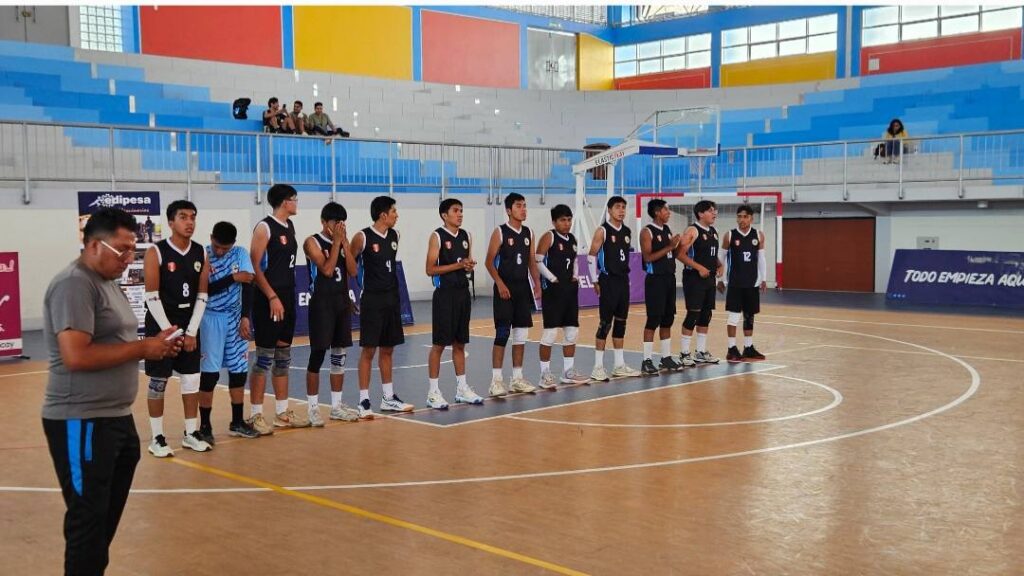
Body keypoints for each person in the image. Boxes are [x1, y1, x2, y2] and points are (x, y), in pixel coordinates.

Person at [43, 207, 181, 574]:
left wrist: (156, 342)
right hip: (81, 417)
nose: (128, 258)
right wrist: (143, 349)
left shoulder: (107, 282)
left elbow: (116, 338)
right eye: (121, 249)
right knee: (87, 522)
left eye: (133, 249)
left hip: (115, 418)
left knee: (101, 524)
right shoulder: (75, 283)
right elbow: (75, 355)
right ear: (92, 246)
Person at [143, 200, 212, 457]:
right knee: (158, 381)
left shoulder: (200, 252)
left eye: (193, 216)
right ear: (171, 222)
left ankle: (190, 433)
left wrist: (191, 331)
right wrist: (171, 334)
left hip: (188, 325)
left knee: (192, 379)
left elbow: (202, 295)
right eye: (183, 217)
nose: (189, 222)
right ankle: (157, 437)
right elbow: (151, 296)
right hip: (162, 327)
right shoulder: (156, 252)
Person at [249, 184, 309, 434]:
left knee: (283, 357)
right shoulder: (264, 227)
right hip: (268, 299)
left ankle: (282, 412)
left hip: (287, 296)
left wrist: (283, 296)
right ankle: (255, 415)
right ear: (285, 202)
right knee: (264, 357)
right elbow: (254, 265)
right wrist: (272, 295)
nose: (297, 203)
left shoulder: (290, 226)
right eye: (294, 199)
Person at [349, 196, 414, 417]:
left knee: (388, 349)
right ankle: (363, 401)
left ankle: (388, 398)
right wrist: (350, 294)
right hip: (372, 300)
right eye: (394, 211)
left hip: (392, 299)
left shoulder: (395, 235)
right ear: (383, 214)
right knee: (369, 350)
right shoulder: (362, 237)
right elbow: (349, 263)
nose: (397, 215)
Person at [197, 221, 259, 444]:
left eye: (225, 248)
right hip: (210, 317)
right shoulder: (202, 254)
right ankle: (205, 426)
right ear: (211, 237)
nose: (220, 251)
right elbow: (203, 290)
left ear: (233, 244)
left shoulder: (240, 253)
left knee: (238, 370)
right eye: (217, 246)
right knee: (210, 374)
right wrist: (232, 278)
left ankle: (237, 421)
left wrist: (245, 317)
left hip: (235, 317)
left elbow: (249, 285)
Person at [302, 202, 361, 426]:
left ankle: (336, 406)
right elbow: (326, 270)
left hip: (340, 303)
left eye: (342, 223)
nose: (339, 226)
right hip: (321, 304)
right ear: (324, 222)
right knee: (317, 356)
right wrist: (336, 243)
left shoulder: (343, 241)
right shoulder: (312, 241)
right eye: (335, 222)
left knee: (339, 355)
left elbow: (353, 271)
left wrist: (344, 243)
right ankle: (313, 409)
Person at [424, 198, 485, 409]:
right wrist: (457, 265)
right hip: (444, 295)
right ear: (444, 215)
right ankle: (433, 392)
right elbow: (430, 269)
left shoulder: (467, 235)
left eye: (461, 210)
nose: (460, 214)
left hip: (462, 294)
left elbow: (464, 265)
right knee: (439, 345)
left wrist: (467, 266)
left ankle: (462, 389)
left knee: (460, 343)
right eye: (456, 211)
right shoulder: (437, 236)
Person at [484, 192, 540, 397]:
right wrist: (499, 283)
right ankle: (496, 381)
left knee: (521, 335)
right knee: (502, 334)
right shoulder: (500, 232)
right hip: (504, 289)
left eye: (525, 205)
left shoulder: (529, 233)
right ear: (508, 210)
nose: (523, 209)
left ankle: (517, 378)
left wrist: (537, 284)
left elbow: (531, 262)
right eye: (518, 206)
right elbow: (488, 262)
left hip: (522, 290)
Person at [534, 204, 591, 387]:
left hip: (569, 290)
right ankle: (544, 374)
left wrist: (575, 276)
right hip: (553, 290)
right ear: (554, 221)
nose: (566, 223)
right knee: (550, 333)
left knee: (572, 332)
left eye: (569, 220)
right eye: (562, 220)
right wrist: (552, 278)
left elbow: (574, 259)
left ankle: (568, 372)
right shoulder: (549, 237)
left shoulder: (572, 238)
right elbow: (538, 261)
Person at [586, 196, 642, 382]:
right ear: (609, 210)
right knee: (605, 324)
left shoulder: (626, 231)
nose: (622, 210)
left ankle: (619, 365)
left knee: (621, 322)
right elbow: (592, 256)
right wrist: (595, 281)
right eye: (617, 207)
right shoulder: (602, 230)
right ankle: (598, 367)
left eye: (624, 207)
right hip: (607, 280)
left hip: (622, 281)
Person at [639, 199, 684, 375]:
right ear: (657, 212)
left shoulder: (667, 230)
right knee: (653, 320)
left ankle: (666, 358)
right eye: (666, 209)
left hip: (669, 279)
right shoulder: (647, 231)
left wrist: (678, 245)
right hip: (655, 280)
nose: (669, 212)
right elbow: (648, 257)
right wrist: (670, 246)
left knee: (668, 320)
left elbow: (672, 252)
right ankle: (647, 360)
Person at [676, 200, 723, 366]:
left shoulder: (713, 231)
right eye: (711, 211)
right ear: (700, 213)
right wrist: (699, 268)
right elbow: (680, 254)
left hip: (709, 278)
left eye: (715, 210)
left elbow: (711, 254)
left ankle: (701, 352)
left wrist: (720, 265)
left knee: (706, 315)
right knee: (693, 314)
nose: (714, 213)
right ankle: (684, 353)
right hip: (694, 278)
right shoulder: (692, 231)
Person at [718, 205, 768, 362]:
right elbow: (721, 258)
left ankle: (748, 348)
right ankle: (731, 348)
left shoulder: (758, 235)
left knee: (749, 317)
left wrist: (764, 278)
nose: (741, 219)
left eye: (745, 216)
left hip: (752, 283)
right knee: (733, 317)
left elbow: (761, 258)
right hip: (735, 283)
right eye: (739, 216)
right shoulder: (730, 235)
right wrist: (720, 279)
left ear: (752, 218)